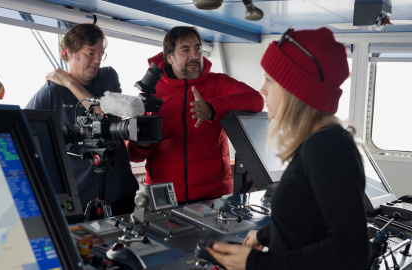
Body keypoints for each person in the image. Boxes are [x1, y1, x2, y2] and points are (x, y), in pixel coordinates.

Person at [206, 27, 370, 269]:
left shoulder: (326, 148)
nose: (262, 89)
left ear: (295, 90)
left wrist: (255, 263)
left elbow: (350, 252)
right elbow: (309, 219)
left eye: (270, 80)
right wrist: (264, 235)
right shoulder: (320, 142)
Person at [126, 26, 264, 203]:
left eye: (198, 48)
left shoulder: (218, 83)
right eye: (185, 50)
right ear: (169, 57)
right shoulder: (150, 93)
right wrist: (142, 143)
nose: (195, 55)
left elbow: (256, 100)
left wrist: (213, 107)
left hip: (213, 195)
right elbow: (135, 156)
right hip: (165, 197)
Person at [25, 23, 138, 217]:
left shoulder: (107, 76)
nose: (97, 60)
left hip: (121, 191)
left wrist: (70, 83)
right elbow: (25, 134)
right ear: (68, 53)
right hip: (80, 197)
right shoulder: (50, 93)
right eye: (90, 53)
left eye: (101, 54)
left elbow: (107, 112)